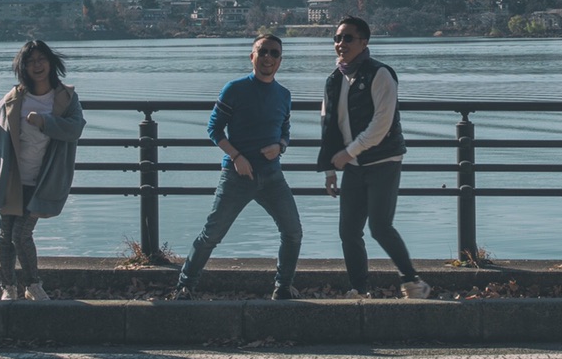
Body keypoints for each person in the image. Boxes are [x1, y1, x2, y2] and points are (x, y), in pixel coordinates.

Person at [172, 35, 303, 300]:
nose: (268, 57)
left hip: (272, 176)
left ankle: (283, 286)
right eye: (262, 51)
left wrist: (281, 146)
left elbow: (285, 130)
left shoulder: (284, 95)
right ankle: (185, 285)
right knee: (212, 234)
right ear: (252, 56)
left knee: (293, 233)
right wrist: (236, 157)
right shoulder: (234, 89)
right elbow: (214, 129)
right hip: (236, 176)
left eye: (274, 53)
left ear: (280, 60)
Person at [0, 40, 85, 301]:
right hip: (11, 178)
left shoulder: (66, 98)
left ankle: (32, 284)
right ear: (23, 68)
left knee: (21, 233)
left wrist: (45, 122)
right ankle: (8, 286)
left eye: (41, 59)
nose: (37, 65)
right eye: (30, 61)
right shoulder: (13, 99)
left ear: (51, 63)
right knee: (6, 235)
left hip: (44, 180)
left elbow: (75, 129)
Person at [317, 16, 429, 299]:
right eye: (337, 38)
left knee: (380, 227)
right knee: (349, 232)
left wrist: (348, 152)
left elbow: (382, 124)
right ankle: (358, 288)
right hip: (351, 166)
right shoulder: (333, 80)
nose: (341, 44)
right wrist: (330, 169)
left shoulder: (380, 74)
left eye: (348, 38)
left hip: (383, 162)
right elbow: (329, 126)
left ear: (364, 42)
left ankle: (412, 281)